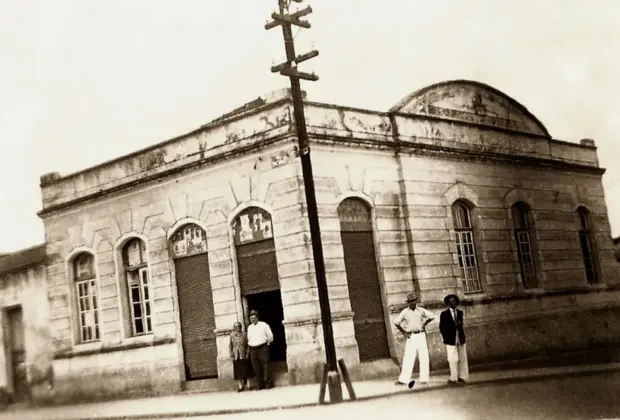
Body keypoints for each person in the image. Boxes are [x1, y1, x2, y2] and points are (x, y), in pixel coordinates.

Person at [394, 292, 435, 388]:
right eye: (410, 301)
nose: (412, 303)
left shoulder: (421, 310)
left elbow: (432, 316)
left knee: (424, 357)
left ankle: (424, 379)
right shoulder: (405, 312)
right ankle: (403, 379)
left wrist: (425, 323)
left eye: (413, 301)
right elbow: (396, 322)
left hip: (421, 334)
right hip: (411, 336)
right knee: (408, 357)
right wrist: (404, 332)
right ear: (408, 303)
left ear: (416, 301)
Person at [439, 293, 469, 385]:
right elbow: (442, 327)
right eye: (450, 302)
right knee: (452, 358)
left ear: (456, 302)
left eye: (454, 301)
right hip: (450, 339)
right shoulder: (444, 314)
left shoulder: (460, 313)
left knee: (462, 357)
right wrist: (446, 338)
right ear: (448, 303)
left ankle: (463, 377)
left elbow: (461, 326)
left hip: (460, 337)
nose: (453, 303)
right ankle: (453, 377)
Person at [246, 309, 274, 390]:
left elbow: (270, 336)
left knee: (266, 366)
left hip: (263, 348)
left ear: (257, 318)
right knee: (256, 367)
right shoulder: (249, 327)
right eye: (251, 318)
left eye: (254, 318)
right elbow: (249, 338)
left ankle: (268, 384)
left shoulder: (264, 325)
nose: (253, 320)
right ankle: (260, 385)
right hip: (253, 349)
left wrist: (267, 344)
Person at [229, 321, 252, 392]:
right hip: (236, 355)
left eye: (238, 326)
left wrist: (248, 353)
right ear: (234, 328)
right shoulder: (232, 335)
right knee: (238, 372)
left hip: (243, 354)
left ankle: (248, 385)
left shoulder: (244, 334)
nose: (237, 328)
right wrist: (231, 355)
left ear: (241, 327)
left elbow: (248, 345)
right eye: (235, 327)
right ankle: (240, 386)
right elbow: (230, 346)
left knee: (246, 370)